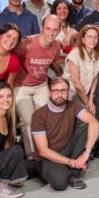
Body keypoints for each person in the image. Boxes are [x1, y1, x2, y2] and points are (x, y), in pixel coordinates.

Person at [31, 77, 99, 191]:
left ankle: (73, 170)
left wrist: (86, 153)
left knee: (86, 128)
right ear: (49, 93)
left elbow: (95, 124)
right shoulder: (38, 115)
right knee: (60, 183)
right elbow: (43, 151)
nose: (60, 94)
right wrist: (71, 162)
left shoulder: (73, 105)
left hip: (66, 149)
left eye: (64, 91)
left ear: (68, 92)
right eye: (56, 91)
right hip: (47, 157)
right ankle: (70, 170)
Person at [14, 14, 63, 155]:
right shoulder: (27, 44)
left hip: (41, 85)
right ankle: (31, 155)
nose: (51, 33)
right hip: (22, 86)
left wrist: (60, 75)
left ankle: (44, 151)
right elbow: (10, 59)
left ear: (59, 30)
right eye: (48, 29)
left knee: (44, 120)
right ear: (42, 28)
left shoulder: (56, 47)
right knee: (28, 121)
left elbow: (53, 62)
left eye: (55, 29)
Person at [65, 24, 99, 114]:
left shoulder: (98, 54)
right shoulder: (75, 54)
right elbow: (76, 84)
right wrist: (87, 103)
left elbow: (95, 76)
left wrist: (91, 99)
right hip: (71, 92)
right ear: (83, 39)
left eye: (95, 37)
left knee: (92, 114)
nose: (92, 40)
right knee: (86, 115)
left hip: (85, 92)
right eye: (89, 36)